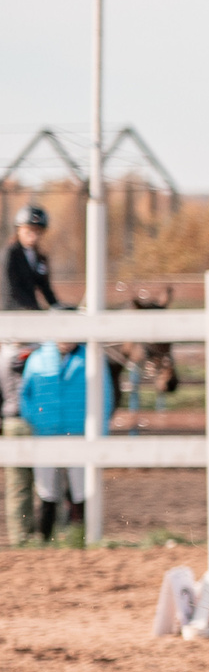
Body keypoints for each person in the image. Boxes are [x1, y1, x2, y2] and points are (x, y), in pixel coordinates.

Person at [3, 205, 60, 544]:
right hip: (13, 321)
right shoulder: (9, 255)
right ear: (19, 228)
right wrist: (36, 318)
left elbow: (47, 291)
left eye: (37, 230)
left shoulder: (40, 258)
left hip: (34, 319)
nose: (33, 234)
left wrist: (62, 312)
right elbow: (10, 293)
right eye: (28, 229)